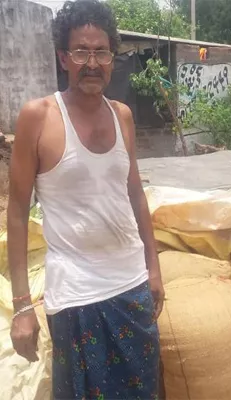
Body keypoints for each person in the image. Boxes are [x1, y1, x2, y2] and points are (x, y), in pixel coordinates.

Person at [8, 1, 163, 399]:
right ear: (64, 57)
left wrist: (154, 269)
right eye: (81, 51)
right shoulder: (38, 117)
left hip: (131, 288)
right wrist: (22, 306)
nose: (91, 63)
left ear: (112, 57)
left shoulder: (123, 116)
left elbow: (135, 195)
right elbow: (17, 212)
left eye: (101, 52)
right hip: (76, 298)